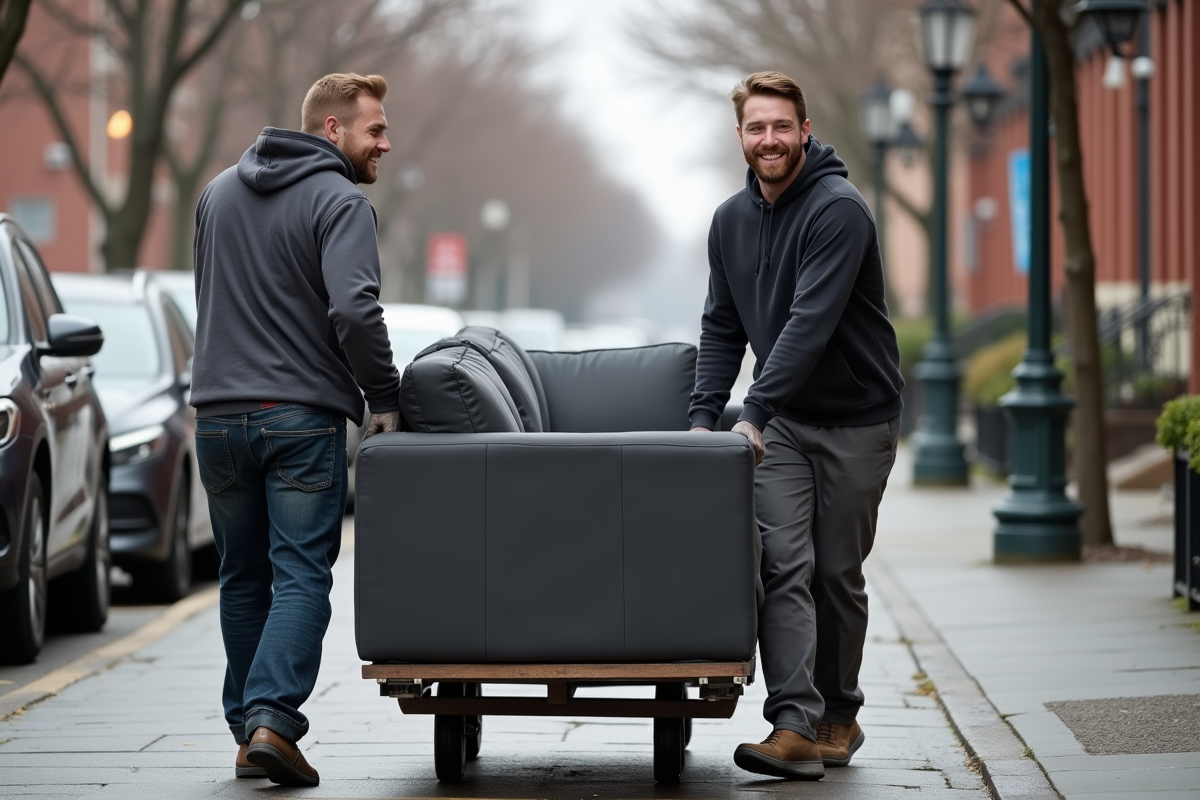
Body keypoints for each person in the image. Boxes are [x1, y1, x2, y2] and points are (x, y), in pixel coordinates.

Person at [689, 71, 903, 780]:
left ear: (805, 131)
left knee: (836, 573)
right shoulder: (729, 220)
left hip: (857, 420)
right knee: (784, 564)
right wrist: (702, 419)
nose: (770, 139)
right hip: (782, 425)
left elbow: (809, 325)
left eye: (782, 126)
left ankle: (841, 713)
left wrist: (753, 408)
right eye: (757, 128)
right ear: (741, 137)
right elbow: (722, 324)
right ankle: (793, 725)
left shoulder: (840, 210)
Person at [190, 73, 400, 787]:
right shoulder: (341, 201)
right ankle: (272, 720)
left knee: (240, 577)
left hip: (216, 418)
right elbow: (354, 310)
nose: (386, 142)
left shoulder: (216, 193)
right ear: (333, 130)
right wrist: (385, 397)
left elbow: (208, 298)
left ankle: (247, 731)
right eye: (375, 129)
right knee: (301, 574)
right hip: (299, 419)